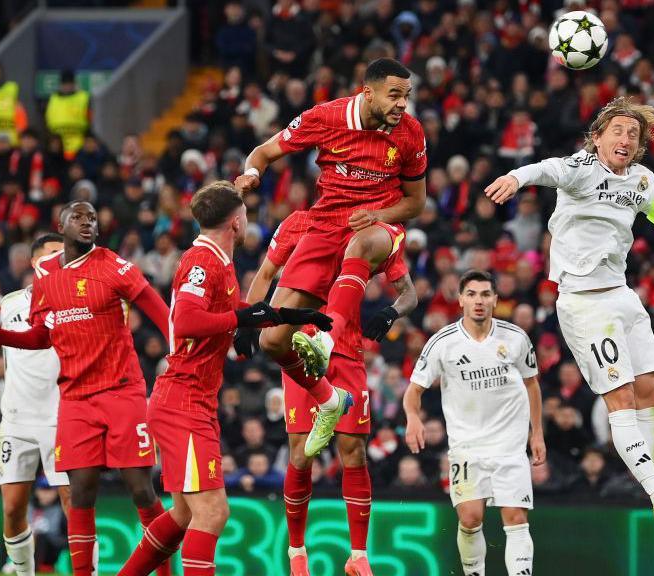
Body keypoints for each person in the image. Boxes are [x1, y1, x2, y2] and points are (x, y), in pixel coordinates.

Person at [485, 96, 654, 526]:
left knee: (650, 392)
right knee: (620, 399)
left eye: (633, 134)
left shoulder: (641, 181)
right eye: (616, 130)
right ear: (596, 137)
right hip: (583, 303)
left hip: (622, 297)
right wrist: (514, 176)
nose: (625, 138)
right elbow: (543, 169)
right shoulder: (580, 169)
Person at [114, 181, 330, 576]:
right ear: (235, 220)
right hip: (184, 401)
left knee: (183, 514)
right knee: (212, 513)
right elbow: (187, 320)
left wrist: (295, 317)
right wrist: (239, 320)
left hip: (191, 399)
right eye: (245, 212)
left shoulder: (218, 260)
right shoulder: (203, 261)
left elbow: (242, 311)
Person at [234, 57, 427, 459]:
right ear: (367, 91)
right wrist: (252, 174)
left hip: (378, 226)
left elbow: (415, 203)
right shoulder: (325, 117)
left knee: (361, 243)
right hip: (325, 225)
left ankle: (326, 339)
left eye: (406, 96)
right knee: (272, 340)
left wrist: (379, 215)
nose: (402, 105)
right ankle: (326, 398)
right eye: (394, 95)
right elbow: (263, 152)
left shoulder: (410, 134)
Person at [0, 201, 172, 576]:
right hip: (75, 398)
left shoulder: (113, 265)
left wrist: (179, 349)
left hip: (120, 391)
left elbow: (159, 311)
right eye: (78, 217)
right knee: (80, 495)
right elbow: (41, 337)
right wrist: (0, 335)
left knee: (141, 491)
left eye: (93, 218)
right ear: (61, 224)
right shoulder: (46, 274)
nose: (87, 222)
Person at [243, 209, 418, 576]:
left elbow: (409, 294)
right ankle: (296, 552)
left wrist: (390, 312)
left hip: (348, 351)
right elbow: (265, 274)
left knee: (354, 452)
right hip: (300, 347)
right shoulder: (299, 222)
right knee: (301, 453)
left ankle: (358, 556)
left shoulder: (374, 231)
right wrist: (246, 319)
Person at [404, 270, 545, 576]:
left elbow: (532, 385)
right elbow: (413, 391)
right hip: (467, 446)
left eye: (484, 294)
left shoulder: (516, 338)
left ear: (495, 299)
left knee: (516, 518)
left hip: (510, 444)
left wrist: (537, 434)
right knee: (469, 518)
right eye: (471, 294)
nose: (478, 301)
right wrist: (413, 417)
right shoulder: (443, 343)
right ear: (460, 301)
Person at [0, 232, 75, 576]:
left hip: (62, 418)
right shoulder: (10, 303)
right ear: (34, 262)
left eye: (65, 254)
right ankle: (23, 573)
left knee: (76, 507)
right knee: (13, 510)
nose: (60, 259)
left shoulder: (79, 304)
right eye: (53, 253)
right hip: (16, 419)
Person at [44, 70, 90, 160]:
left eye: (69, 84)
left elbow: (91, 121)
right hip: (56, 148)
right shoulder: (52, 100)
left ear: (74, 84)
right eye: (64, 84)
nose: (67, 87)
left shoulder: (84, 98)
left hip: (79, 148)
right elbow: (46, 123)